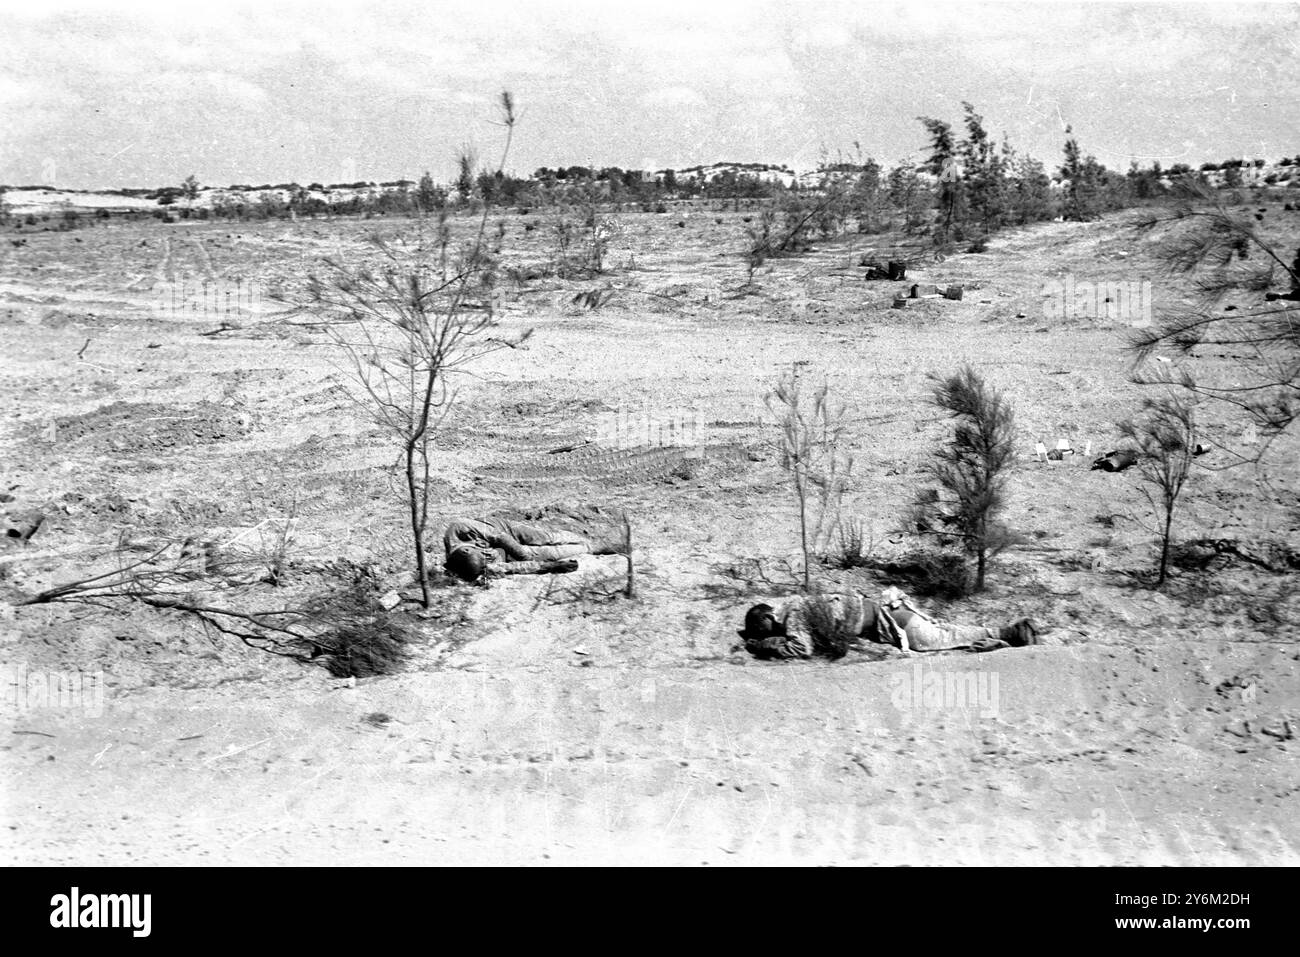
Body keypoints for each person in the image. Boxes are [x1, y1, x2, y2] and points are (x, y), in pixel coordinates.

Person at [738, 586, 1038, 660]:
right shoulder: (798, 602)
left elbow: (801, 648)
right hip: (892, 613)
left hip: (894, 624)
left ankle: (1012, 633)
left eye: (762, 628)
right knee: (947, 632)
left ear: (767, 617)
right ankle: (1009, 631)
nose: (766, 631)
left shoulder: (794, 615)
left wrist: (762, 645)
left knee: (942, 639)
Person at [443, 514, 627, 583]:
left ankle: (583, 539)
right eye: (486, 561)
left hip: (504, 530)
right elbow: (511, 568)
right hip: (504, 553)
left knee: (544, 538)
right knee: (549, 554)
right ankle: (592, 548)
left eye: (485, 557)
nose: (487, 559)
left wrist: (524, 556)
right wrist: (546, 567)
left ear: (468, 550)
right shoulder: (475, 568)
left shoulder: (459, 528)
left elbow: (499, 537)